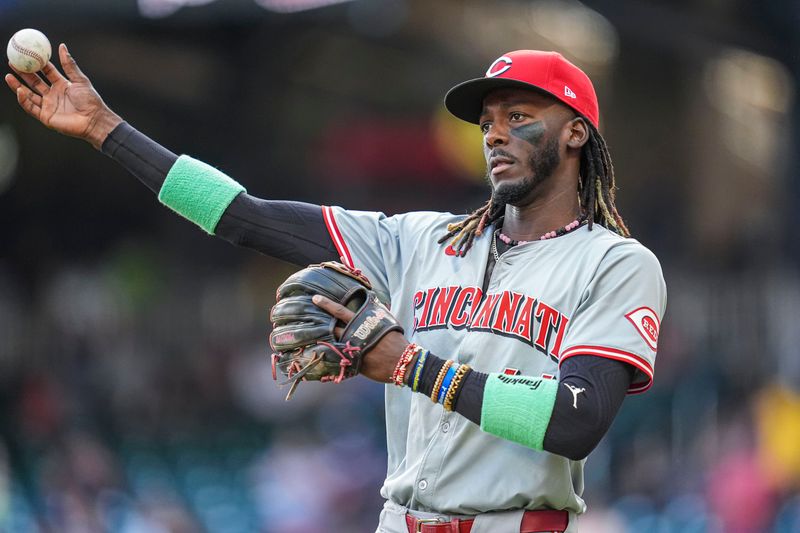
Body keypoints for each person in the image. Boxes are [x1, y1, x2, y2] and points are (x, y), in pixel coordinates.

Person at [6, 45, 666, 532]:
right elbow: (245, 216)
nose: (494, 132)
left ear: (576, 131)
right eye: (488, 120)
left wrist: (409, 365)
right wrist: (105, 130)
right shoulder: (421, 240)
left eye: (519, 115)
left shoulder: (614, 263)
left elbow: (575, 420)